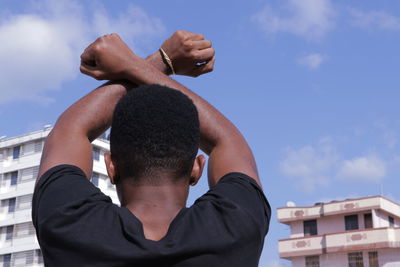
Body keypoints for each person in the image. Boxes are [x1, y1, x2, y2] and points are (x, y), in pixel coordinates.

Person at [32, 31, 271, 267]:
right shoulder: (236, 227)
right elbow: (227, 140)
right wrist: (139, 65)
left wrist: (159, 61)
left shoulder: (68, 222)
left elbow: (71, 129)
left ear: (110, 167)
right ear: (196, 169)